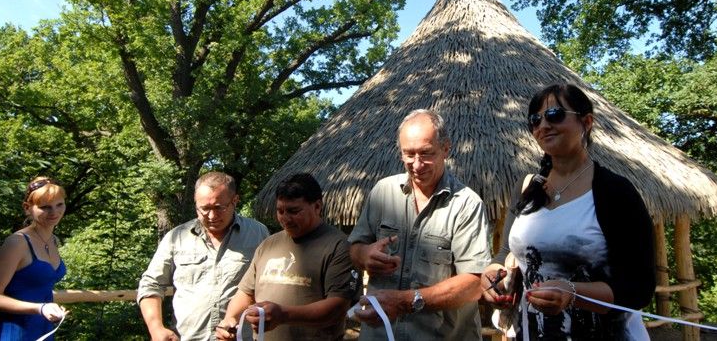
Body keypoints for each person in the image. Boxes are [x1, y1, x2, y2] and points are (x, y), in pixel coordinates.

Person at [481, 83, 655, 340]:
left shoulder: (615, 192)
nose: (543, 125)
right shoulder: (528, 186)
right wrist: (492, 273)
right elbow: (507, 251)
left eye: (555, 115)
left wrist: (574, 292)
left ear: (586, 122)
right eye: (535, 119)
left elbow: (639, 288)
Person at [347, 109, 491, 341]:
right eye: (408, 154)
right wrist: (364, 255)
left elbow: (474, 283)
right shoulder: (383, 192)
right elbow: (353, 247)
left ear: (446, 149)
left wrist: (404, 302)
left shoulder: (466, 203)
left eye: (426, 153)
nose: (417, 164)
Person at [215, 173, 360, 341]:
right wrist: (230, 318)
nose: (285, 218)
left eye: (293, 211)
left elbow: (337, 308)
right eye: (280, 211)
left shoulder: (340, 246)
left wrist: (283, 315)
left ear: (317, 207)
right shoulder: (268, 245)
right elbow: (246, 292)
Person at [138, 171, 269, 341]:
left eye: (219, 207)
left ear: (235, 201)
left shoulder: (258, 234)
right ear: (195, 204)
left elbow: (271, 287)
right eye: (204, 209)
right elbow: (151, 284)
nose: (212, 216)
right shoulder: (176, 237)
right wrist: (156, 328)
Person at [0, 176, 69, 340]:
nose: (54, 212)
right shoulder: (17, 243)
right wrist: (40, 308)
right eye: (45, 207)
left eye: (60, 204)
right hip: (17, 332)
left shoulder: (53, 240)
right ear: (27, 208)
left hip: (44, 330)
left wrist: (48, 310)